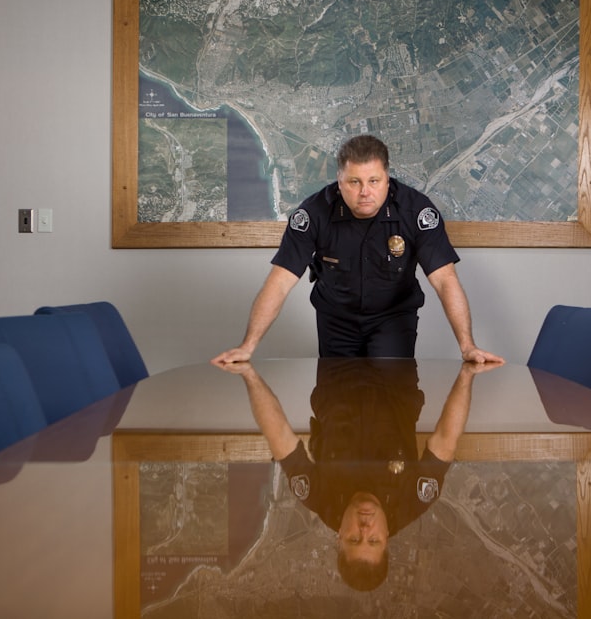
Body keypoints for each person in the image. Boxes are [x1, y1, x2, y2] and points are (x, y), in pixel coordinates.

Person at [212, 134, 504, 364]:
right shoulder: (314, 213)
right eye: (354, 182)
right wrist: (248, 346)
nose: (365, 191)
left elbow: (444, 279)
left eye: (374, 181)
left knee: (393, 403)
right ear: (339, 182)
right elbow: (279, 282)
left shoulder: (416, 211)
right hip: (336, 320)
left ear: (387, 179)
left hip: (393, 319)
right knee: (336, 409)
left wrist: (467, 346)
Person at [217, 357, 500, 590]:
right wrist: (466, 375)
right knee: (389, 293)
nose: (365, 530)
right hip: (393, 372)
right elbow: (446, 440)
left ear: (339, 536)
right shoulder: (414, 501)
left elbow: (279, 435)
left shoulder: (318, 496)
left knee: (339, 291)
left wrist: (249, 374)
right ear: (387, 537)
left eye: (354, 539)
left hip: (337, 370)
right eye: (374, 540)